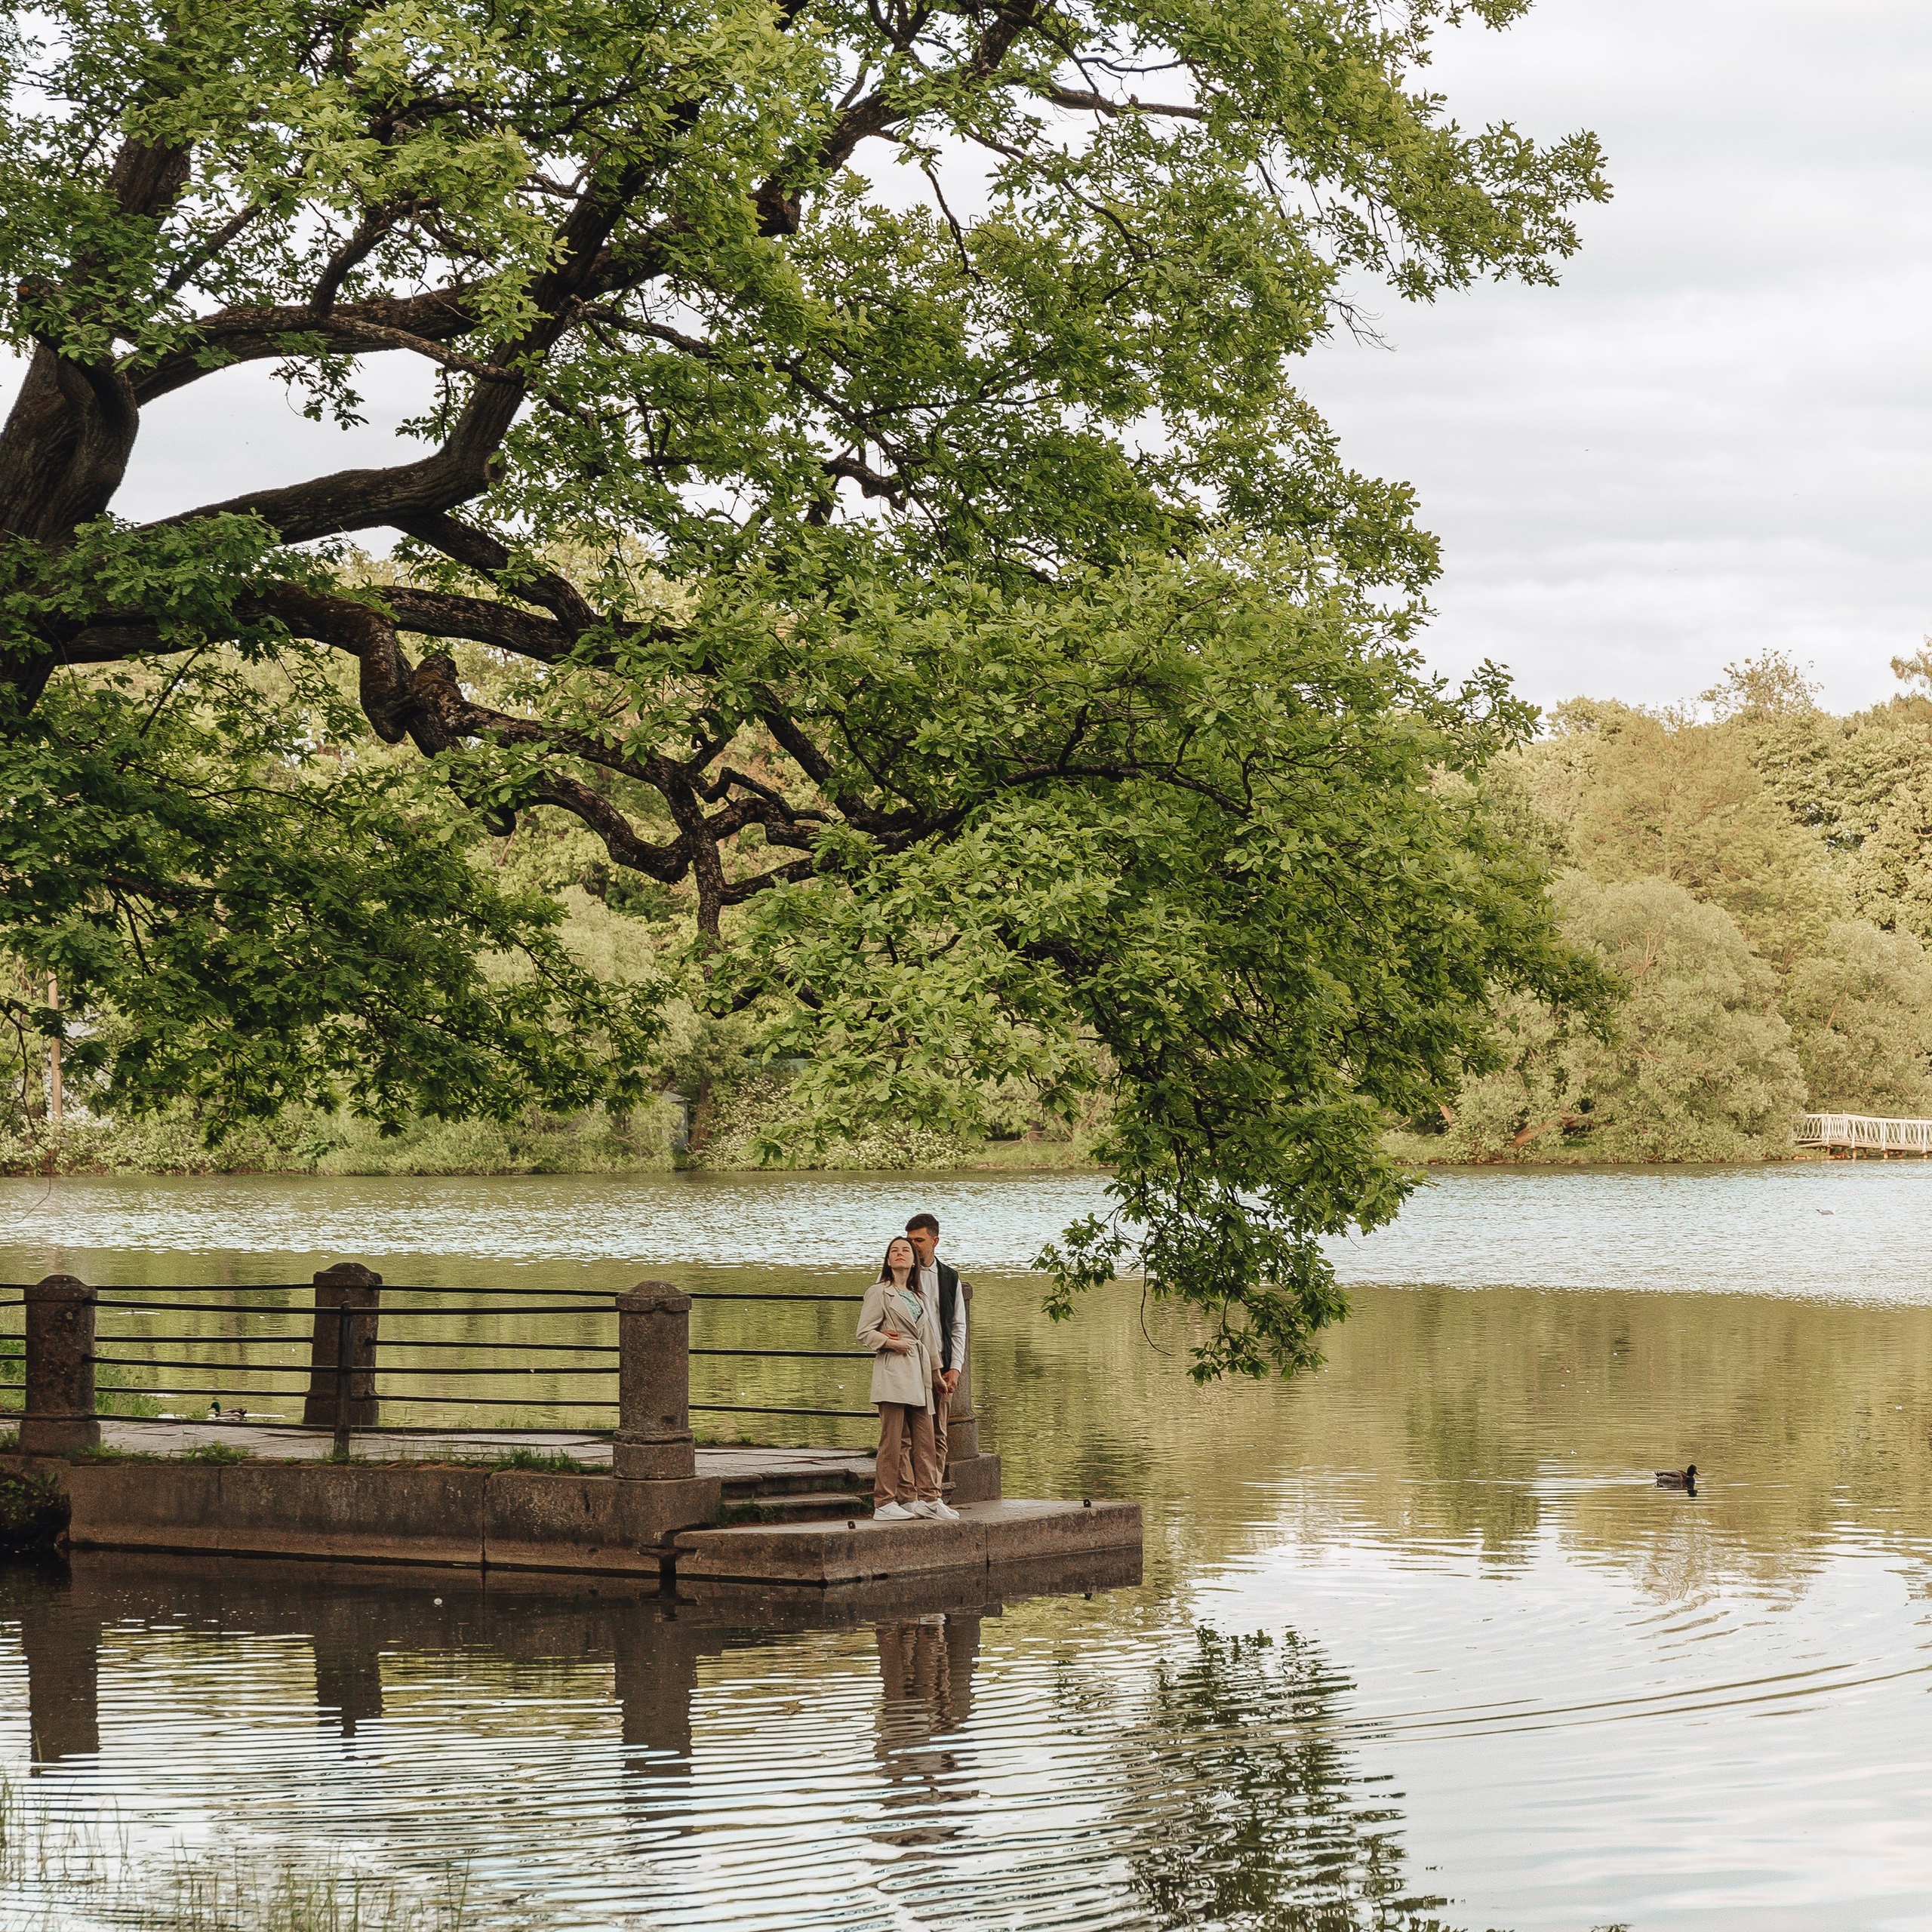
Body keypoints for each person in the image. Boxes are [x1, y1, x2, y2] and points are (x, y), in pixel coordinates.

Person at [857, 1235, 950, 1521]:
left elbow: (930, 1339)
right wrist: (889, 1341)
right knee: (892, 1441)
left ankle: (930, 1499)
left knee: (926, 1440)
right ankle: (884, 1502)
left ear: (913, 1261)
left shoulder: (919, 1295)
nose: (900, 1254)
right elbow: (863, 1332)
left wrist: (937, 1375)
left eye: (905, 1251)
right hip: (894, 1371)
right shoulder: (878, 1292)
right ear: (888, 1260)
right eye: (894, 1251)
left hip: (919, 1373)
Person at [904, 1213, 965, 1477]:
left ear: (935, 1240)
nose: (913, 1246)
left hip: (940, 1359)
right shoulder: (898, 1274)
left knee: (938, 1430)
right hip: (907, 1359)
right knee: (906, 1432)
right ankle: (907, 1492)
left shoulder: (950, 1278)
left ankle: (933, 1491)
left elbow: (958, 1325)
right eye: (909, 1240)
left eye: (919, 1240)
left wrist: (956, 1368)